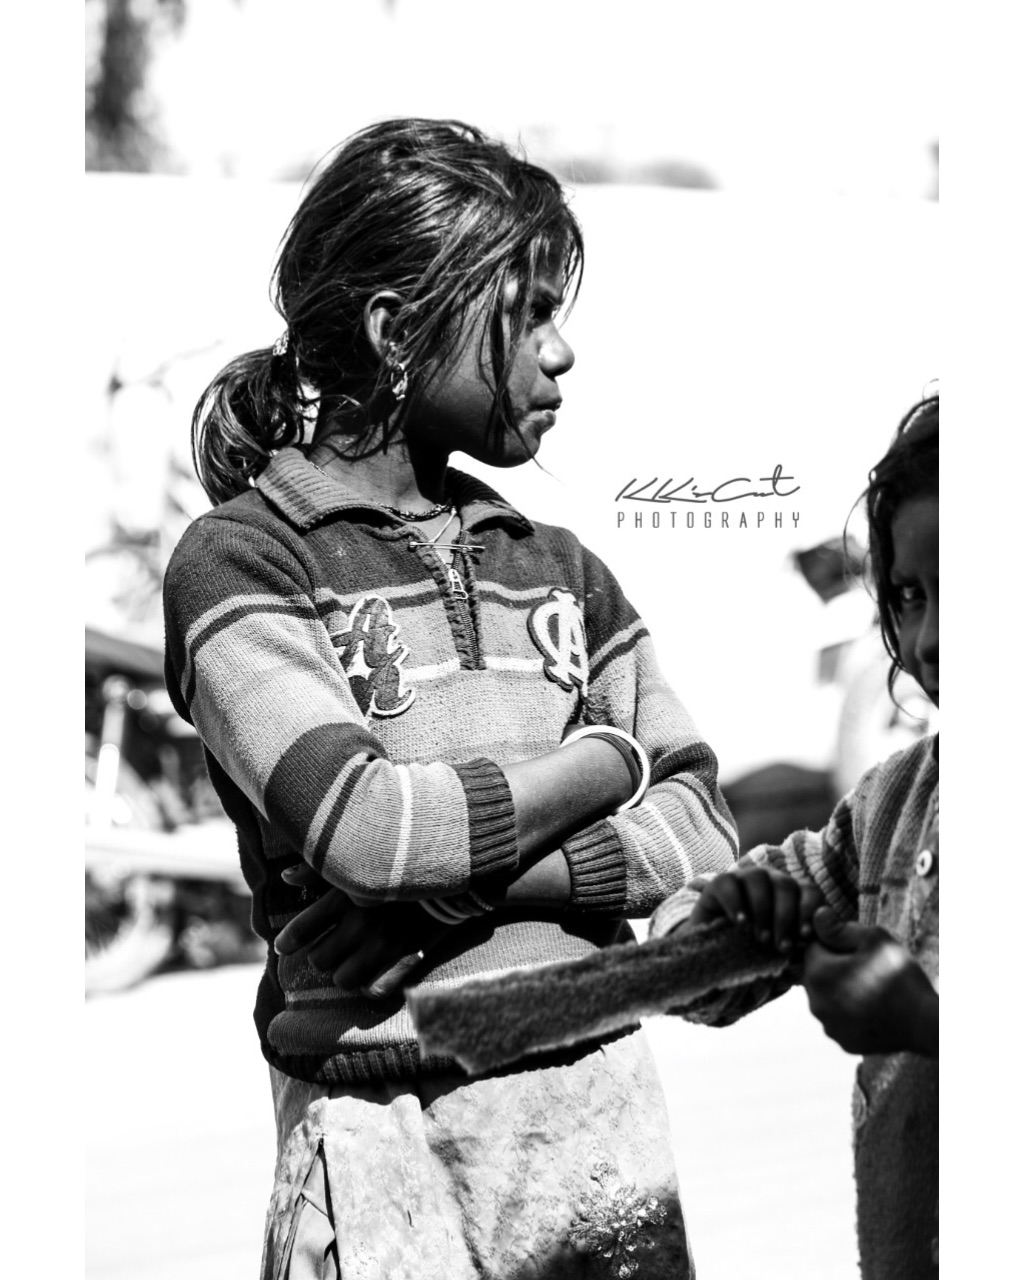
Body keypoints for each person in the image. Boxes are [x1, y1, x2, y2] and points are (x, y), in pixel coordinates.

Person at [163, 118, 739, 1279]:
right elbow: (371, 829)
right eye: (528, 313)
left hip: (598, 1119)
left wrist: (456, 883)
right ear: (395, 332)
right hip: (381, 1141)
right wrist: (606, 765)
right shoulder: (244, 563)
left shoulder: (560, 567)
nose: (562, 352)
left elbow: (703, 825)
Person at [650, 394, 939, 1280]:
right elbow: (694, 971)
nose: (930, 638)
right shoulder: (893, 805)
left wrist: (929, 1025)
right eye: (910, 596)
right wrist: (720, 921)